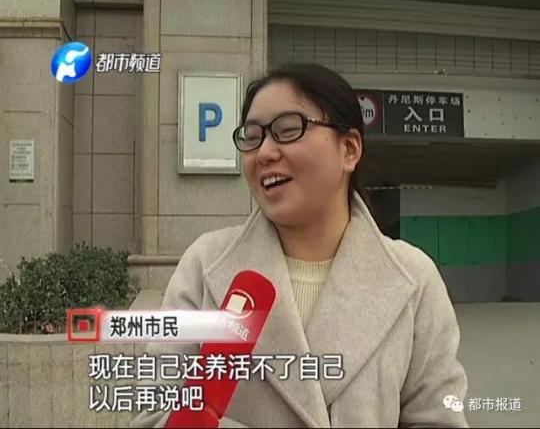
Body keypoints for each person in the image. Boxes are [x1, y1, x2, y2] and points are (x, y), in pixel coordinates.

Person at [131, 63, 469, 428]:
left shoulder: (414, 278)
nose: (264, 152)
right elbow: (155, 413)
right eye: (252, 137)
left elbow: (438, 418)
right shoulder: (205, 264)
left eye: (288, 130)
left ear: (349, 149)